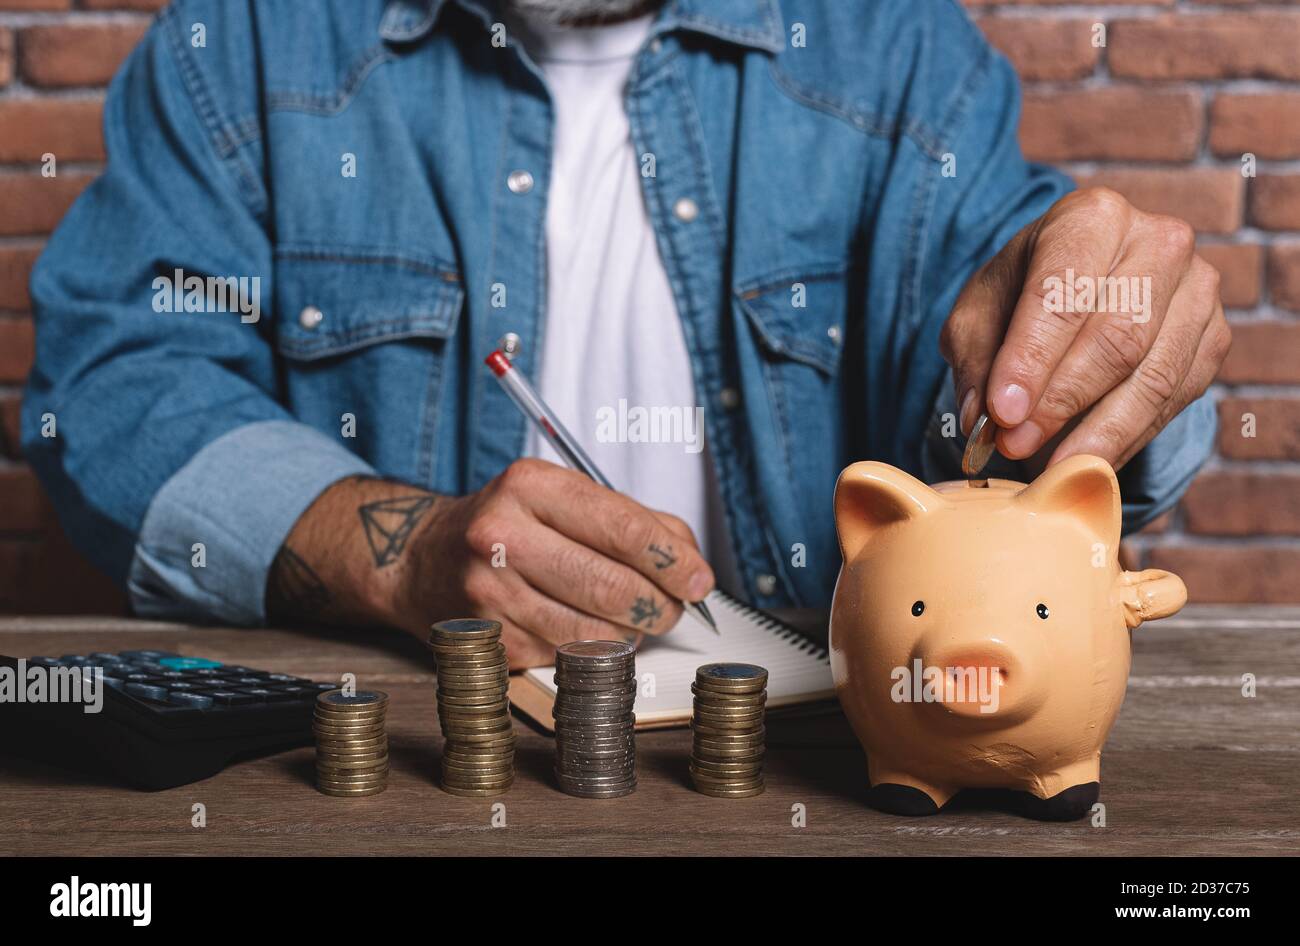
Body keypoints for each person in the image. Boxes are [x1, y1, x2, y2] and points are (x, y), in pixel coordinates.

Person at [23, 0, 1229, 668]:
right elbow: (120, 379)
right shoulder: (243, 42)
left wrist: (1096, 346)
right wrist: (399, 553)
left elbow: (1011, 341)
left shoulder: (896, 46)